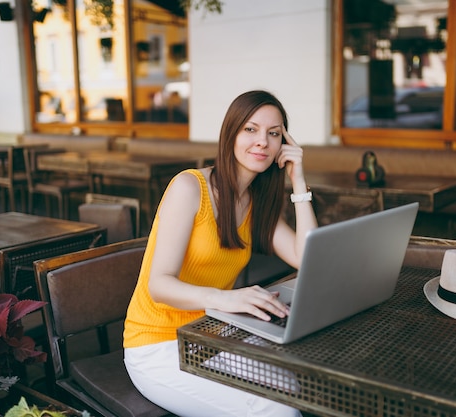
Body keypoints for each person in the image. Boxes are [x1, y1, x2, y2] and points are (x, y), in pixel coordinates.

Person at [123, 90, 318, 416]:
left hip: (213, 334)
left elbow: (309, 262)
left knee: (296, 389)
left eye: (274, 133)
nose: (262, 142)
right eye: (250, 129)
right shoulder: (189, 188)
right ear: (231, 134)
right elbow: (159, 285)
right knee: (277, 411)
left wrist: (299, 182)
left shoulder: (255, 202)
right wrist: (228, 299)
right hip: (157, 344)